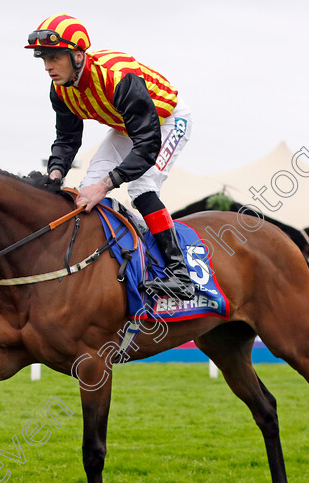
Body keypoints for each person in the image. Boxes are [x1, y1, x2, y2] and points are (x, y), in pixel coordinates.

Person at [26, 14, 195, 299]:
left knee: (141, 187)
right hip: (128, 127)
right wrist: (54, 174)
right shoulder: (60, 89)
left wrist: (106, 185)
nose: (48, 67)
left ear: (78, 55)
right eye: (43, 58)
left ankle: (180, 274)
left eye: (54, 57)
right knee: (86, 192)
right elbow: (67, 139)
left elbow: (147, 145)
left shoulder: (118, 79)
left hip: (167, 122)